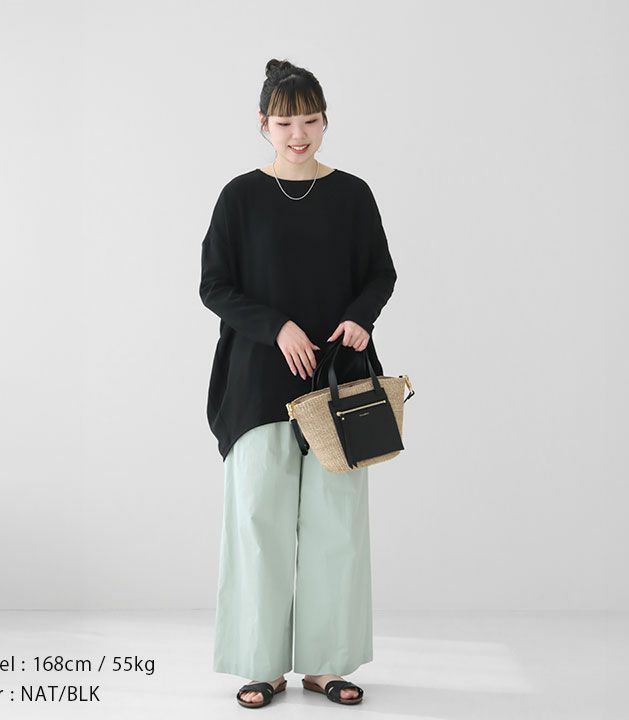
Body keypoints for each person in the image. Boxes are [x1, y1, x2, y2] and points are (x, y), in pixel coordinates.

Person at [199, 58, 398, 708]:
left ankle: (325, 665)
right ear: (263, 124)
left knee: (337, 526)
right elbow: (214, 286)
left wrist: (360, 318)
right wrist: (275, 326)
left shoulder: (353, 195)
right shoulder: (239, 197)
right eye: (285, 123)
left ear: (325, 121)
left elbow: (380, 273)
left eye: (310, 120)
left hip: (340, 384)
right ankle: (260, 665)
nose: (299, 134)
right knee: (259, 523)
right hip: (258, 385)